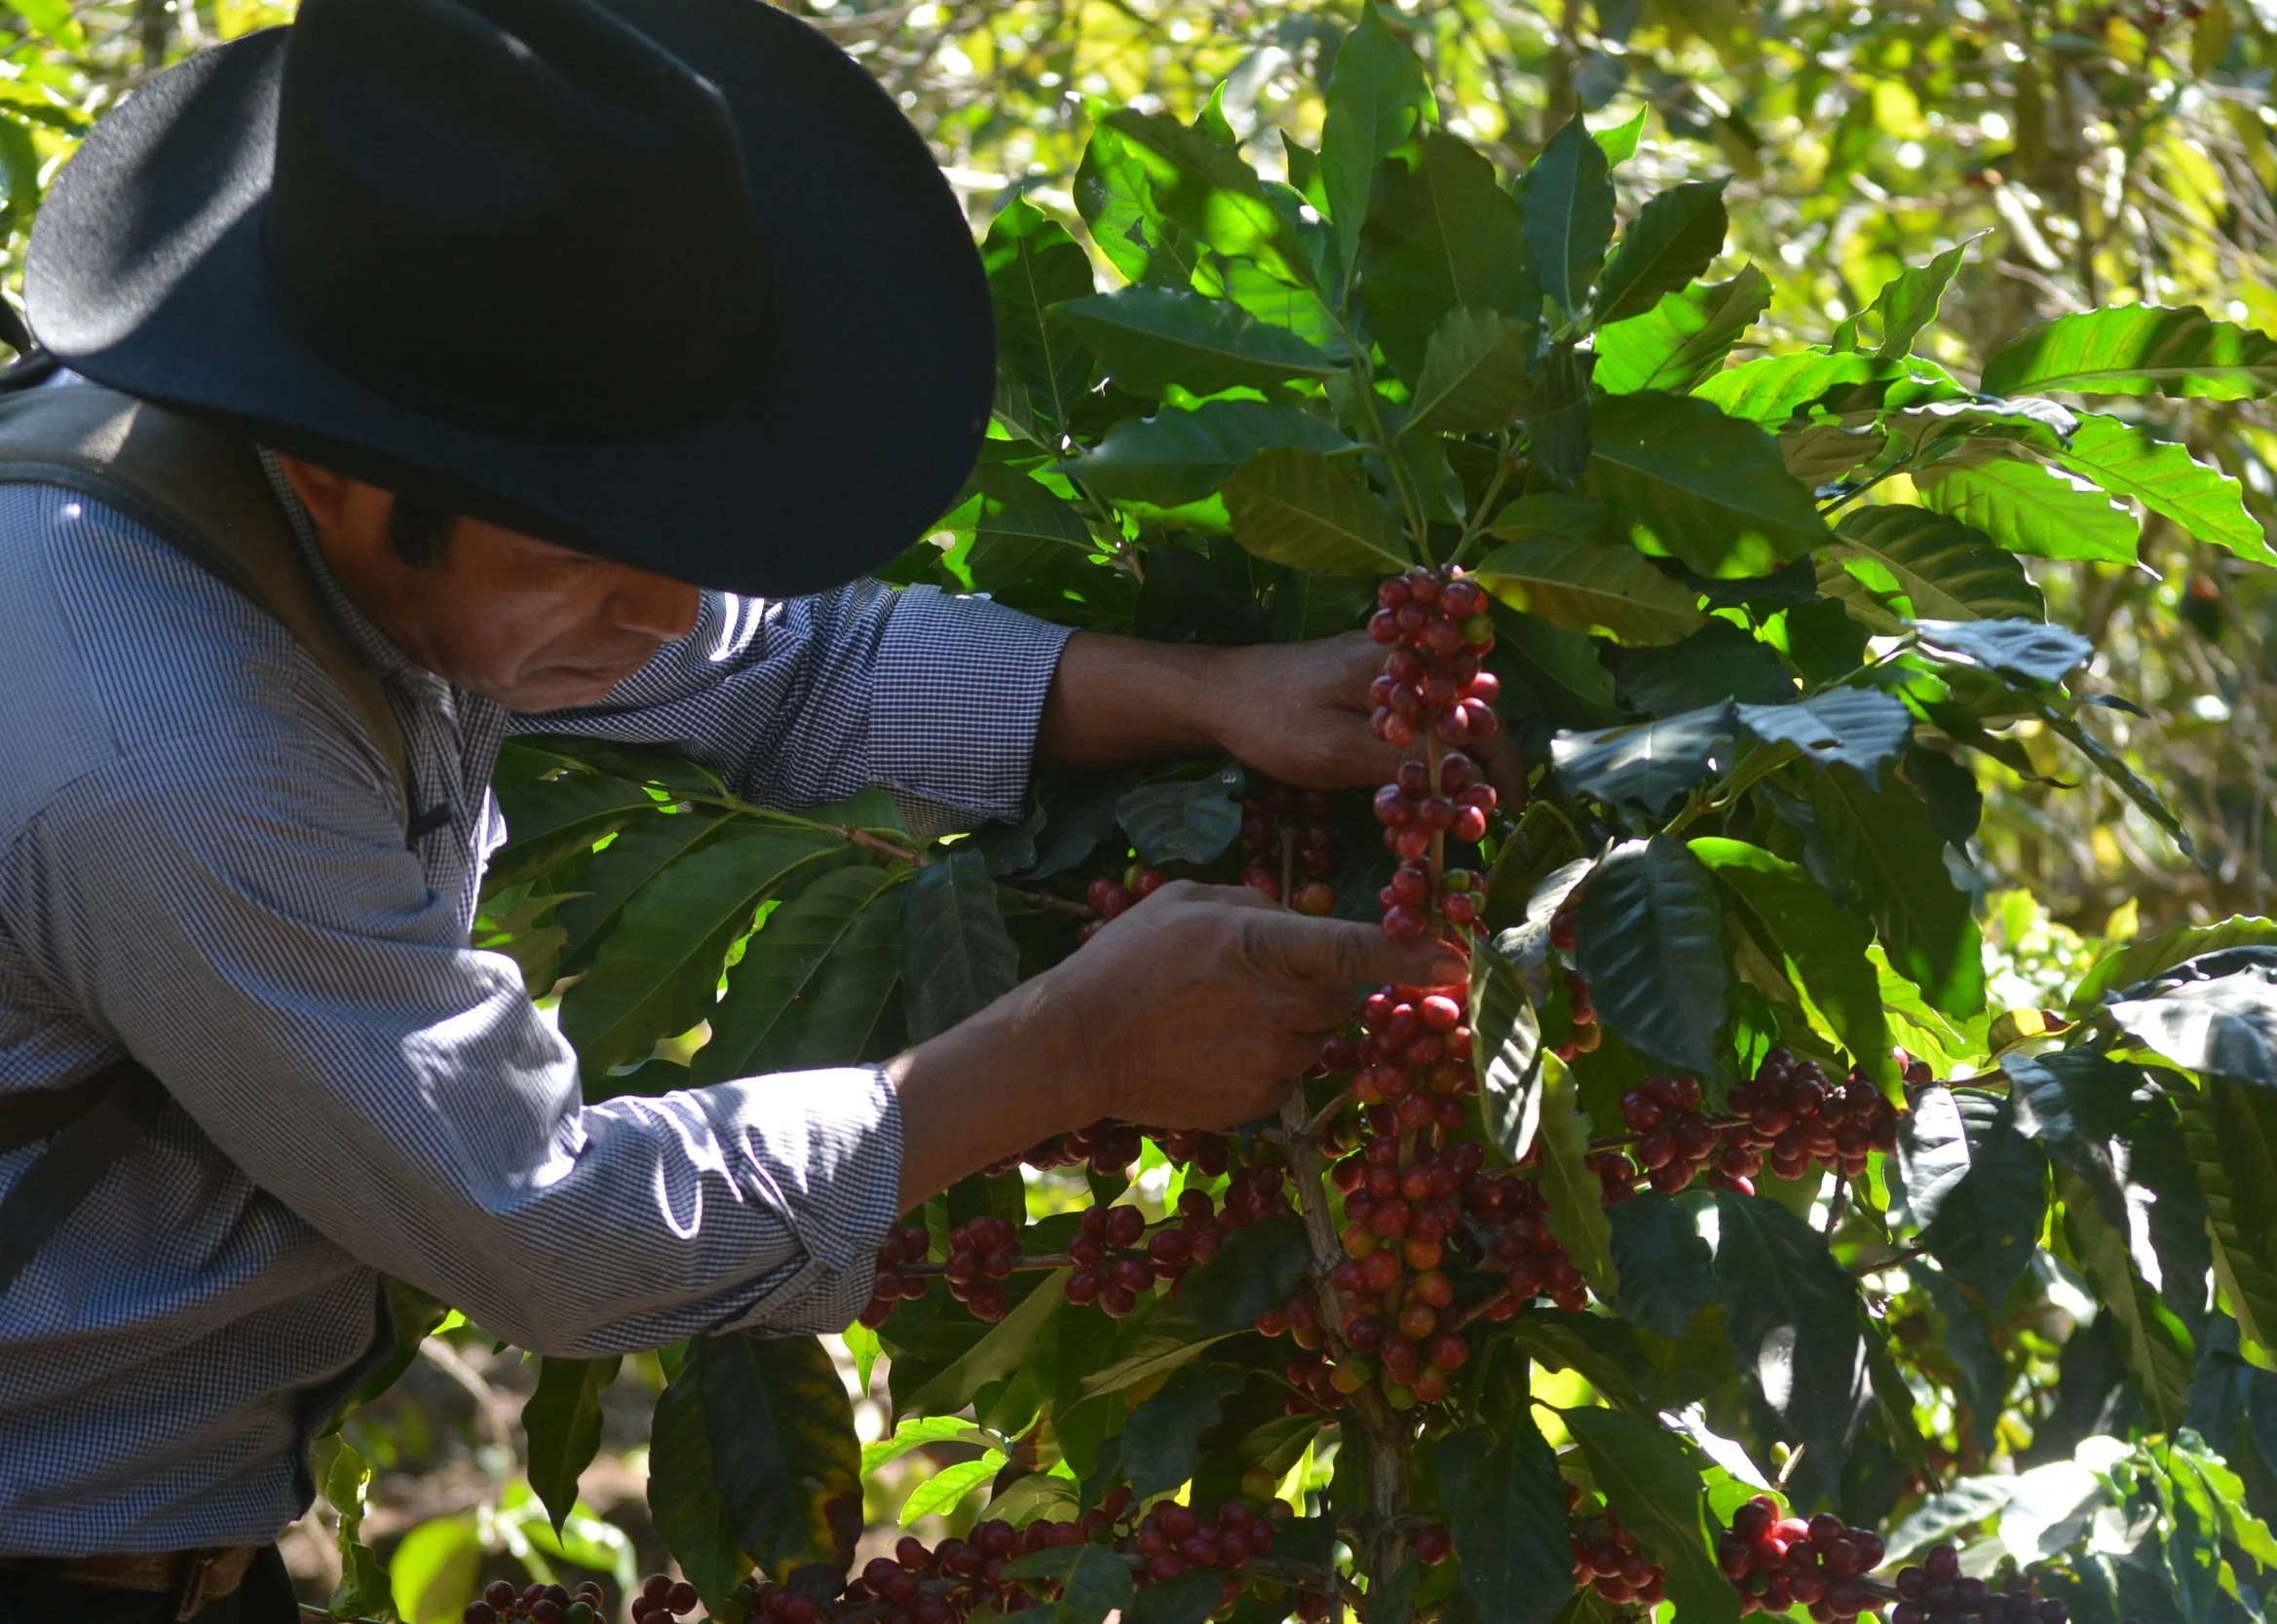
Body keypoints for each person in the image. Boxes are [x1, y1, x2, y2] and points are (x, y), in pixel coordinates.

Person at [0, 0, 1490, 1616]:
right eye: (586, 553)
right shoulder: (164, 740)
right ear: (336, 469)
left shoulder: (381, 491)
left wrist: (1215, 692)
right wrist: (1071, 1051)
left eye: (680, 528)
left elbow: (791, 665)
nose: (661, 610)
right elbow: (550, 1225)